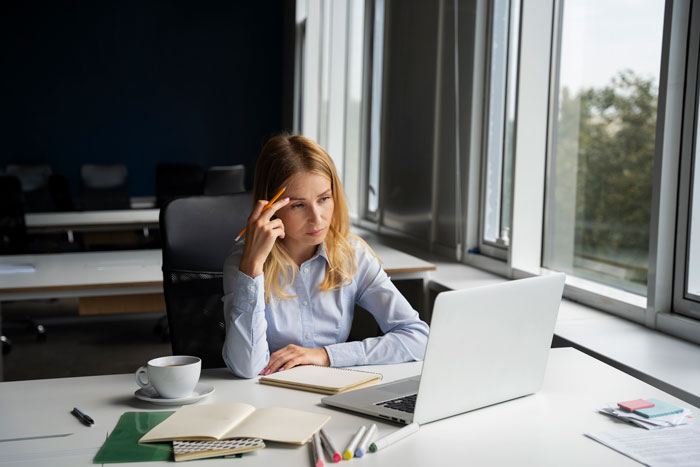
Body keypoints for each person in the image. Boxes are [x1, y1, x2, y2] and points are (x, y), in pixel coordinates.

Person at [222, 134, 429, 378]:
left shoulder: (353, 256)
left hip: (332, 392)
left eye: (324, 199)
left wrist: (325, 355)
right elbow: (247, 368)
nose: (317, 218)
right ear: (270, 207)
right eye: (298, 205)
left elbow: (418, 338)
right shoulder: (244, 262)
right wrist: (253, 265)